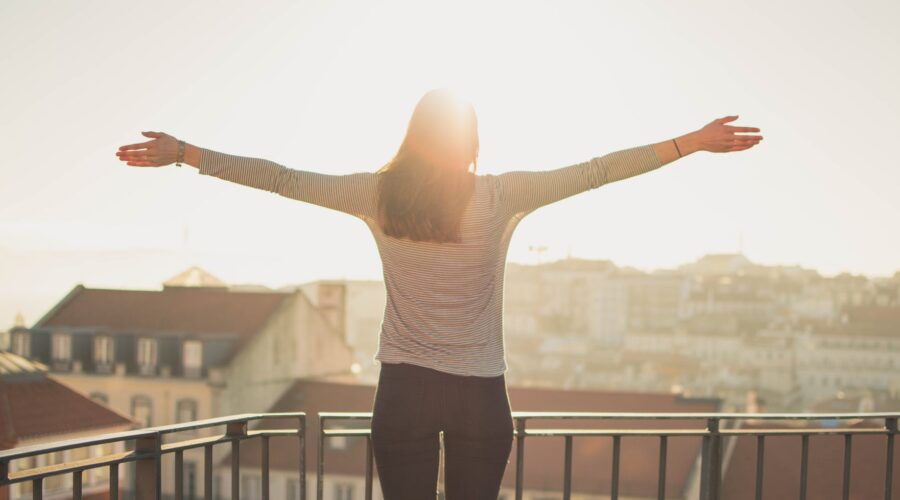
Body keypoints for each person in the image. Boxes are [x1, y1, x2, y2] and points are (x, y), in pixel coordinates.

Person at [116, 88, 762, 499]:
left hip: (404, 392)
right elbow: (595, 172)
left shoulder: (376, 194)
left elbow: (282, 179)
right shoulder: (500, 195)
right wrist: (690, 144)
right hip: (481, 394)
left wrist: (186, 153)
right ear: (471, 141)